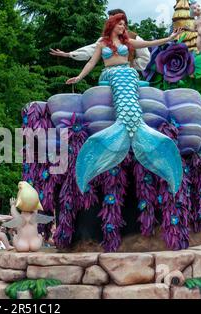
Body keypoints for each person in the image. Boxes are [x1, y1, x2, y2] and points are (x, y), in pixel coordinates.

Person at [65, 13, 183, 194]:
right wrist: (79, 77)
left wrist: (169, 38)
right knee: (122, 74)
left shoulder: (127, 42)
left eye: (124, 24)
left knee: (129, 73)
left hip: (127, 73)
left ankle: (132, 124)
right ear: (112, 25)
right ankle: (126, 125)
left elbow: (150, 44)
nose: (123, 27)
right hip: (110, 73)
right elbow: (91, 62)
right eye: (120, 24)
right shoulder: (102, 44)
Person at [50, 9, 151, 72]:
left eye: (112, 21)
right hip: (109, 75)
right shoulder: (104, 40)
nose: (109, 23)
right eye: (109, 21)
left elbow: (145, 58)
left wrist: (130, 66)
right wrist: (69, 54)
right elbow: (89, 51)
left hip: (129, 77)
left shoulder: (134, 38)